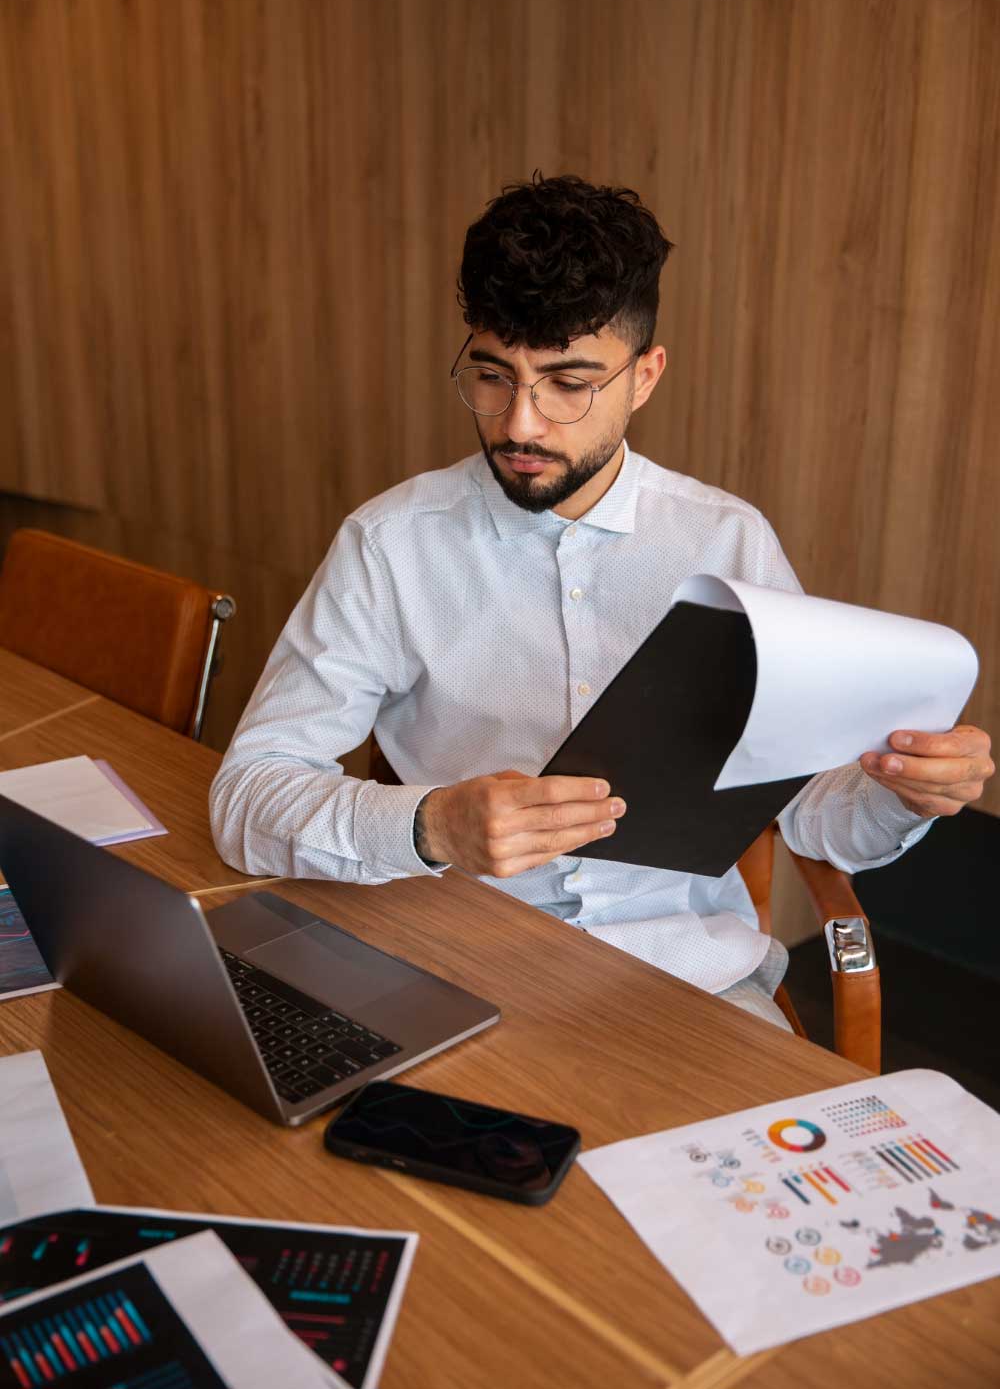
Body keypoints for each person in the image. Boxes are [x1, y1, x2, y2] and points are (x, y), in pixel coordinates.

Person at [210, 174, 994, 1028]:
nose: (520, 425)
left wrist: (901, 793)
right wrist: (430, 827)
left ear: (644, 376)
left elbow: (811, 819)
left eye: (568, 383)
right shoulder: (390, 543)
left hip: (690, 979)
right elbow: (249, 796)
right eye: (492, 376)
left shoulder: (728, 542)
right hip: (458, 971)